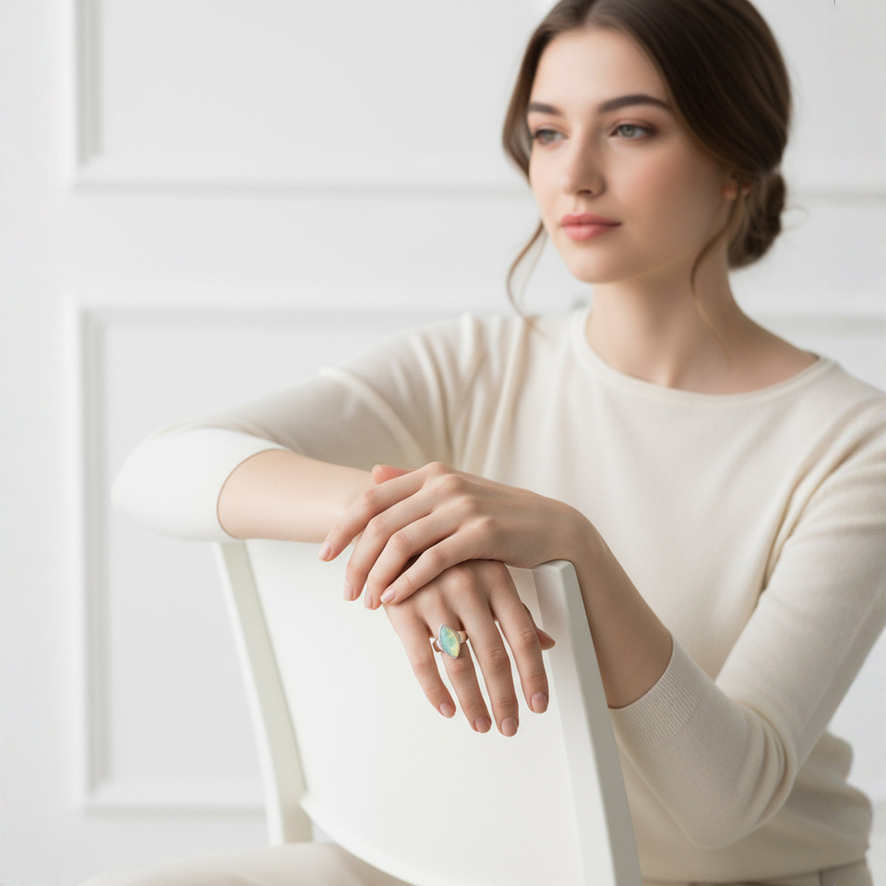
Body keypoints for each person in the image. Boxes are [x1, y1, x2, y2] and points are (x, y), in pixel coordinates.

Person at [95, 0, 886, 884]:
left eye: (629, 129)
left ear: (737, 158)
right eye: (548, 134)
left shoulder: (856, 445)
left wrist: (572, 550)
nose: (575, 176)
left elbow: (723, 803)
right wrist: (410, 530)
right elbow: (158, 468)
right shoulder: (473, 363)